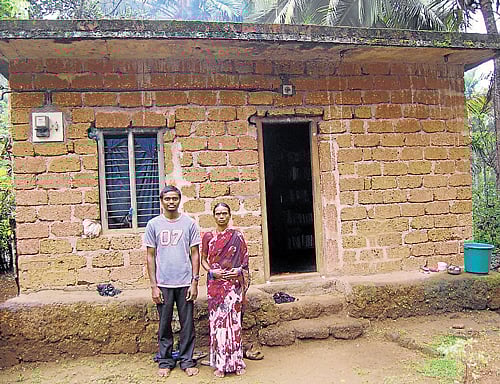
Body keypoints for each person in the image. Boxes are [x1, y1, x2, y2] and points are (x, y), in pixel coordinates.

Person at [145, 185, 201, 378]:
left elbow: (195, 254)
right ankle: (166, 360)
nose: (171, 202)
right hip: (163, 283)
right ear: (161, 201)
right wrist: (154, 286)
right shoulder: (153, 225)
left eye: (174, 199)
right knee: (164, 323)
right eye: (167, 199)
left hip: (185, 281)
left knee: (187, 324)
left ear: (179, 200)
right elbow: (150, 256)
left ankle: (186, 360)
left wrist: (195, 281)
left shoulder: (189, 224)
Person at [201, 202, 250, 378]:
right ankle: (220, 364)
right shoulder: (208, 236)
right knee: (218, 324)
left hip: (233, 286)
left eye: (224, 213)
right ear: (213, 216)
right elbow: (203, 260)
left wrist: (236, 271)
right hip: (215, 286)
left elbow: (245, 262)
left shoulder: (237, 236)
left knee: (234, 323)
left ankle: (236, 362)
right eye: (218, 213)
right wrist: (212, 271)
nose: (221, 216)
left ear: (229, 215)